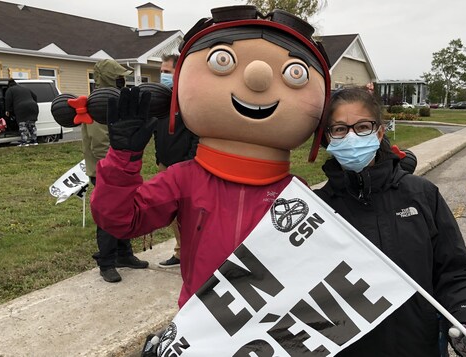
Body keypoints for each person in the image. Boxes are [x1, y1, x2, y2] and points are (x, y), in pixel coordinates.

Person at [90, 6, 331, 309]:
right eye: (222, 61)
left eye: (295, 74)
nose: (258, 77)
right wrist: (122, 161)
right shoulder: (185, 177)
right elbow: (121, 220)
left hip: (269, 326)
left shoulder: (295, 192)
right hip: (201, 321)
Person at [314, 87, 466, 356]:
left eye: (363, 127)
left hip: (419, 346)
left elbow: (453, 271)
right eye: (341, 129)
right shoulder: (317, 209)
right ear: (329, 139)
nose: (352, 136)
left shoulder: (422, 194)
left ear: (379, 133)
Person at [84, 59, 149, 283]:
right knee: (108, 218)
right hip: (107, 171)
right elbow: (100, 143)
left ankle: (124, 254)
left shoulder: (116, 99)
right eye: (119, 76)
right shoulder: (100, 103)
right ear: (109, 77)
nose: (124, 79)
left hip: (119, 170)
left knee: (122, 212)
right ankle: (106, 262)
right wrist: (116, 167)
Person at [154, 53, 199, 267]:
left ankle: (195, 254)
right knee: (172, 214)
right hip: (165, 165)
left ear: (178, 72)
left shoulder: (190, 99)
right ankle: (181, 253)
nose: (163, 76)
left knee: (190, 214)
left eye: (167, 72)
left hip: (185, 166)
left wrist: (190, 161)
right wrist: (157, 157)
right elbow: (157, 130)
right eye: (161, 72)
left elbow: (196, 133)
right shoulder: (161, 101)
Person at [5, 79, 39, 146]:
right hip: (33, 106)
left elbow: (8, 100)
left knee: (22, 124)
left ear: (9, 85)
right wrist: (33, 102)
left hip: (21, 108)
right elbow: (35, 96)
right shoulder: (25, 88)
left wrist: (7, 110)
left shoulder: (10, 90)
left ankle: (24, 142)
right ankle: (34, 141)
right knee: (32, 125)